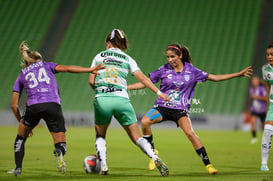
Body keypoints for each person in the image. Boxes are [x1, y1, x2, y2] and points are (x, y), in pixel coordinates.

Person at [127, 43, 253, 174]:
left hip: (180, 110)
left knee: (190, 133)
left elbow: (214, 77)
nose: (170, 60)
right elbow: (145, 83)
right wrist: (127, 88)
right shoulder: (164, 69)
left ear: (180, 55)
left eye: (172, 57)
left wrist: (238, 74)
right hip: (162, 107)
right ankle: (153, 154)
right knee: (146, 121)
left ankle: (208, 165)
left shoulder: (192, 71)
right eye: (168, 57)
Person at [8, 41, 105, 176]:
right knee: (61, 143)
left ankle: (18, 168)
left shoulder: (22, 73)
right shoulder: (48, 66)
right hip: (52, 105)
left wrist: (22, 122)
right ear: (39, 60)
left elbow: (13, 105)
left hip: (33, 106)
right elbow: (68, 68)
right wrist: (90, 70)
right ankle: (59, 152)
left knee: (20, 138)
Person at [89, 29, 170, 176]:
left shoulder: (99, 56)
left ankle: (104, 165)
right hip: (122, 99)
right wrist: (159, 93)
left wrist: (100, 89)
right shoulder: (127, 58)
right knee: (137, 137)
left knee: (100, 135)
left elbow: (91, 81)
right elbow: (144, 80)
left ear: (108, 43)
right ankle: (154, 156)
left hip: (103, 99)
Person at [261, 43, 273, 171]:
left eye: (272, 54)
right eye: (268, 55)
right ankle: (264, 164)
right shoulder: (266, 69)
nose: (270, 57)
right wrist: (268, 103)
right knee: (267, 132)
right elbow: (268, 85)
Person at [249, 76, 267, 144]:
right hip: (254, 109)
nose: (254, 82)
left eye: (255, 81)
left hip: (262, 109)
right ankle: (254, 137)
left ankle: (265, 138)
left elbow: (265, 98)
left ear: (258, 81)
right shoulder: (251, 89)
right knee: (253, 121)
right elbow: (252, 98)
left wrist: (256, 97)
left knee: (263, 125)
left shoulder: (261, 88)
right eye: (253, 81)